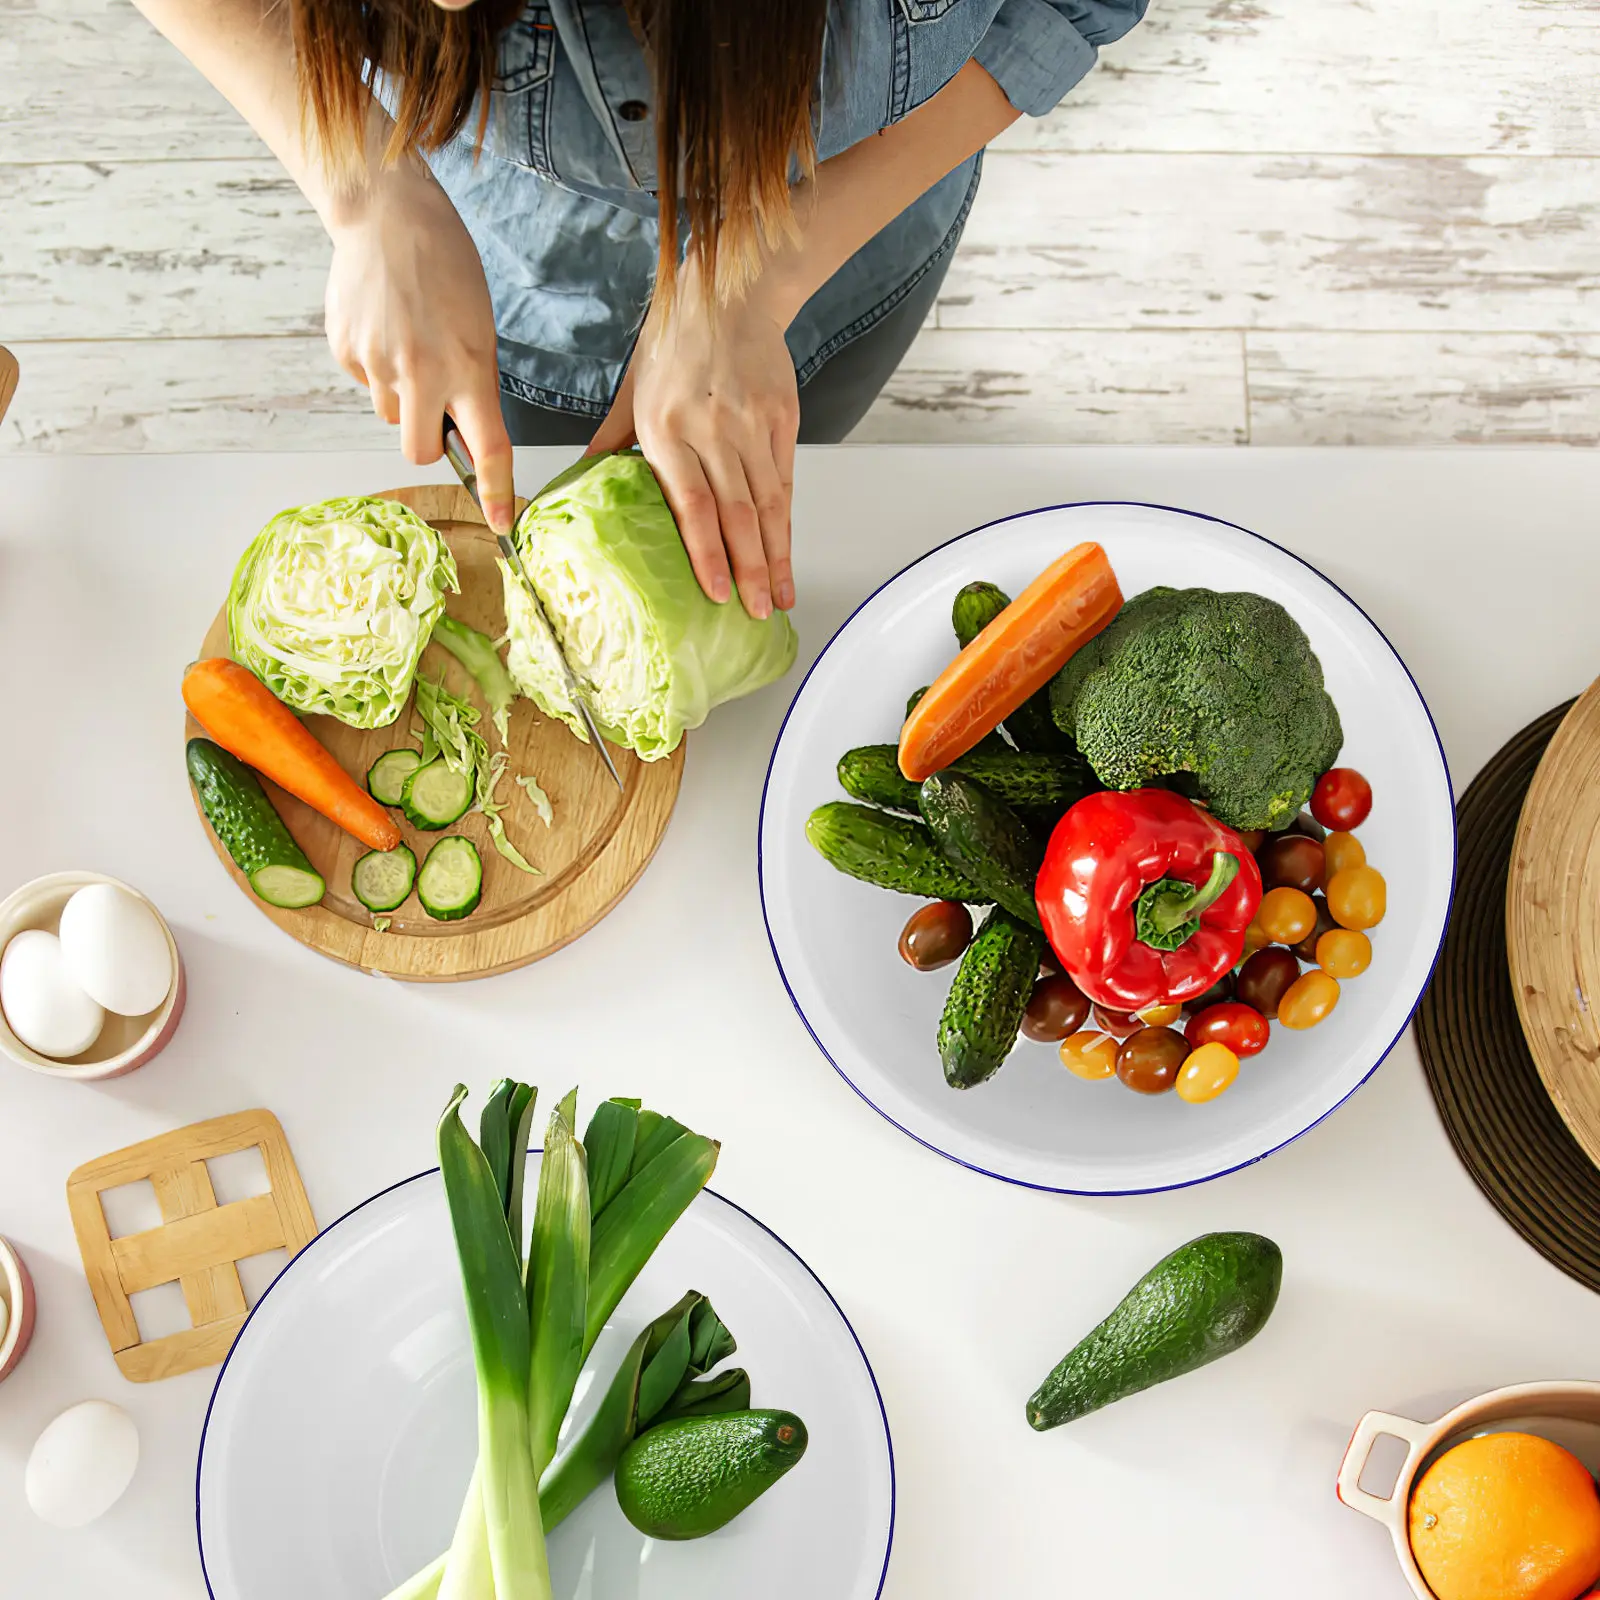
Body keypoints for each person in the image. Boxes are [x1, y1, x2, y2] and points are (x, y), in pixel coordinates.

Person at [132, 0, 1147, 618]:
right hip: (499, 255)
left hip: (849, 232)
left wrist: (756, 272)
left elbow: (1064, 5)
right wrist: (363, 186)